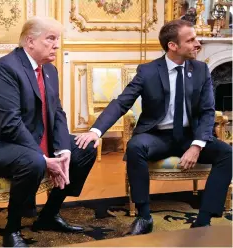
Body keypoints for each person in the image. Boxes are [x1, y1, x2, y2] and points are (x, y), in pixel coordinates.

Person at [75, 19, 232, 236]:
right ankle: (144, 216)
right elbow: (122, 102)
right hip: (157, 136)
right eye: (191, 40)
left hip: (189, 136)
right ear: (172, 46)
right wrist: (95, 131)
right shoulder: (148, 71)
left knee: (226, 153)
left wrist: (197, 145)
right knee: (135, 147)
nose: (197, 44)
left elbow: (207, 111)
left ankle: (203, 220)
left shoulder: (201, 70)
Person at [0, 17, 97, 247]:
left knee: (84, 147)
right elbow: (9, 124)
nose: (57, 45)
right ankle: (12, 230)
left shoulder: (50, 70)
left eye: (58, 39)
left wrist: (62, 150)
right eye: (51, 39)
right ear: (30, 41)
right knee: (33, 161)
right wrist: (43, 158)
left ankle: (49, 215)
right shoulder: (5, 68)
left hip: (35, 140)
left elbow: (58, 112)